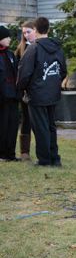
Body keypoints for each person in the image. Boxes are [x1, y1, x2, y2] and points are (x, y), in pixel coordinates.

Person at [16, 17, 67, 167]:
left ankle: (45, 160)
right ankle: (54, 158)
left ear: (36, 30)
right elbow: (63, 71)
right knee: (51, 126)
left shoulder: (33, 48)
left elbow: (24, 73)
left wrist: (22, 88)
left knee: (41, 127)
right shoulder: (57, 48)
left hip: (37, 94)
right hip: (53, 93)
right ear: (49, 29)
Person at [15, 20, 36, 161]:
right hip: (25, 91)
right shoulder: (20, 49)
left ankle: (44, 151)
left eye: (28, 32)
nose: (26, 35)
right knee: (26, 120)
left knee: (40, 122)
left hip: (39, 90)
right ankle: (24, 152)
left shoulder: (40, 46)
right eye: (24, 33)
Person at [0, 26, 20, 161]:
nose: (9, 39)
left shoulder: (10, 54)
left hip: (13, 96)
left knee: (13, 125)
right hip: (2, 98)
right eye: (6, 37)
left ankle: (10, 154)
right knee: (2, 126)